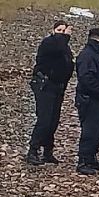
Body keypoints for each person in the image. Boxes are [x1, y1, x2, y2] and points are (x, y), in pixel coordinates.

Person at [27, 20, 74, 166]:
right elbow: (57, 49)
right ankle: (32, 151)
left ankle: (48, 151)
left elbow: (67, 64)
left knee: (53, 120)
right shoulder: (48, 43)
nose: (62, 33)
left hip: (57, 86)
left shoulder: (65, 47)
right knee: (44, 119)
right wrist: (64, 36)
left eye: (64, 30)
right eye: (59, 30)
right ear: (53, 31)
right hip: (44, 85)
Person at [75, 27, 99, 175]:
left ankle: (91, 158)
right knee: (90, 130)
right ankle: (83, 160)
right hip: (90, 100)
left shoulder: (95, 55)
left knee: (98, 130)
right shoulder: (87, 56)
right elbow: (86, 78)